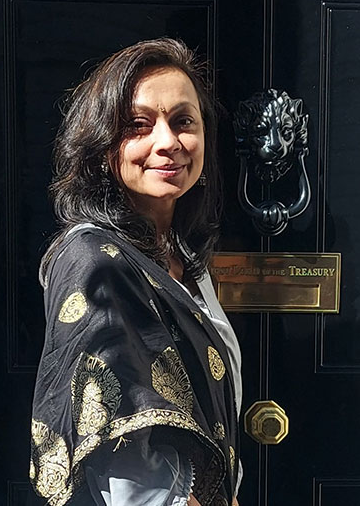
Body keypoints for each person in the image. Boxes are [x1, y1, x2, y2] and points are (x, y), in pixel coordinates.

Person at [29, 38, 242, 506]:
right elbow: (117, 455)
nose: (167, 142)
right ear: (103, 148)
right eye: (138, 125)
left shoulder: (182, 259)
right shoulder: (94, 261)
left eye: (184, 121)